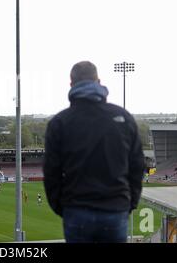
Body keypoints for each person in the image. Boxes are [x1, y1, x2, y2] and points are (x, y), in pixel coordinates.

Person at [43, 61, 145, 243]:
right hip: (115, 210)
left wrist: (63, 207)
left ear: (71, 84)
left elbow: (51, 173)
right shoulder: (123, 117)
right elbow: (137, 167)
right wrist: (128, 204)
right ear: (98, 81)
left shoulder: (60, 122)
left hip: (77, 210)